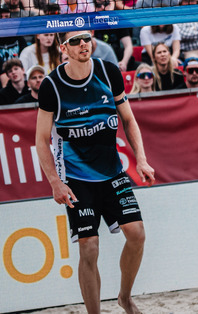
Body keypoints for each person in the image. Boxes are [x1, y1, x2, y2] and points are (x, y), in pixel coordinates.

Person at [35, 29, 154, 314]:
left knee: (136, 234)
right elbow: (41, 139)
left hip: (112, 171)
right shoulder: (52, 85)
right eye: (75, 41)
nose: (83, 44)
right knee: (89, 247)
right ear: (64, 48)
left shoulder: (108, 71)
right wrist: (55, 183)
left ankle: (124, 298)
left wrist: (141, 159)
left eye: (86, 38)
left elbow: (128, 118)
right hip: (76, 178)